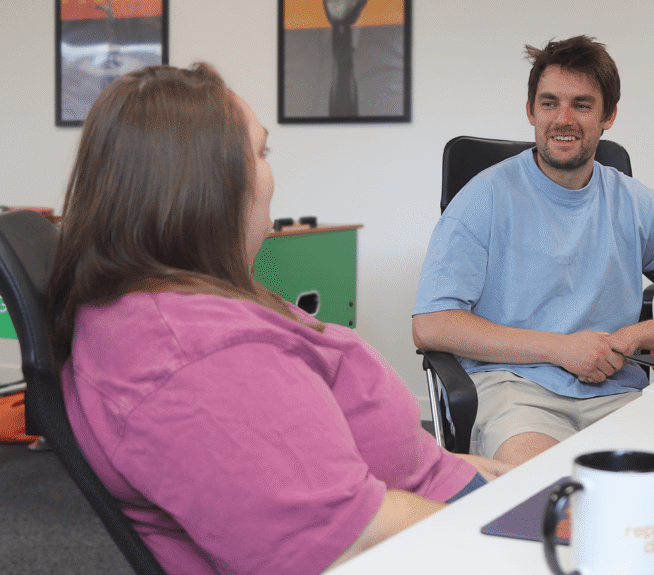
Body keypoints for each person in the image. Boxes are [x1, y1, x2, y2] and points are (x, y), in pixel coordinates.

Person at [48, 63, 508, 575]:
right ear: (210, 186)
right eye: (262, 151)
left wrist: (511, 483)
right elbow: (357, 543)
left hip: (440, 494)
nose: (271, 173)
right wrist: (525, 527)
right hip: (443, 538)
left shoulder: (186, 297)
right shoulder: (201, 362)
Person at [412, 35, 654, 466]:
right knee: (546, 490)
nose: (563, 119)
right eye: (550, 102)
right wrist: (559, 348)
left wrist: (631, 338)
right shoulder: (484, 197)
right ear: (531, 110)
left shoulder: (634, 202)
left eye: (582, 104)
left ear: (609, 116)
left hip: (617, 392)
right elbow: (431, 325)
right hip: (516, 393)